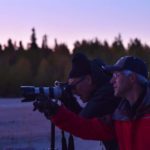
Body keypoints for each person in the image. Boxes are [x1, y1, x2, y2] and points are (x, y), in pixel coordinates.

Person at [36, 55, 150, 150]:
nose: (112, 80)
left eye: (116, 75)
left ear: (132, 78)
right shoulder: (120, 115)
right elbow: (86, 128)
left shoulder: (121, 110)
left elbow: (84, 121)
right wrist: (56, 112)